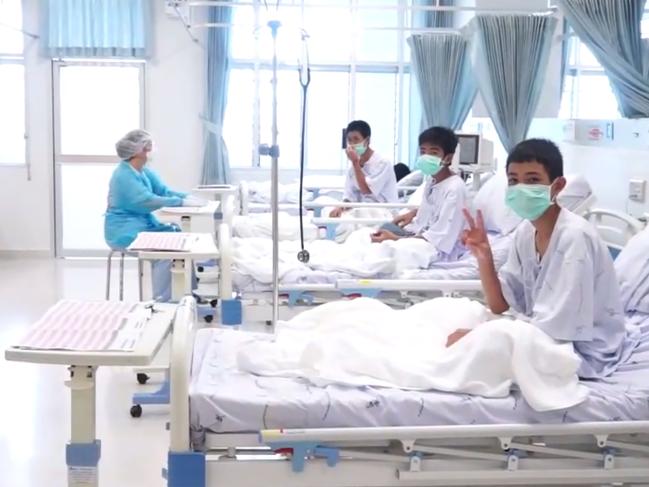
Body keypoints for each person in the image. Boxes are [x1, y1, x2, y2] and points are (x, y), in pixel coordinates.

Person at [448, 138, 635, 379]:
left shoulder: (574, 238)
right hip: (542, 334)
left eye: (533, 180)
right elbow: (500, 304)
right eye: (513, 180)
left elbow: (556, 332)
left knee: (470, 350)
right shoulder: (526, 232)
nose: (521, 188)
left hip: (580, 350)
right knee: (452, 315)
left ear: (557, 186)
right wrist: (484, 257)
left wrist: (481, 336)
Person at [104, 129, 203, 302]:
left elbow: (163, 191)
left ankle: (189, 293)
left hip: (143, 226)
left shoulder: (142, 171)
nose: (151, 149)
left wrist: (185, 197)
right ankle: (164, 302)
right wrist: (179, 203)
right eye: (148, 146)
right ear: (138, 151)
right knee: (164, 252)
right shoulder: (123, 176)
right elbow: (146, 200)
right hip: (124, 232)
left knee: (179, 236)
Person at [370, 127, 467, 261]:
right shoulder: (431, 180)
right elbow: (430, 212)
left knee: (386, 249)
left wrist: (396, 239)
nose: (426, 157)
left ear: (448, 158)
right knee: (367, 235)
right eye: (423, 151)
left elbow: (440, 238)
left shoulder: (455, 189)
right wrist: (413, 213)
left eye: (433, 152)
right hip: (419, 236)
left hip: (434, 249)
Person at [330, 120, 398, 217]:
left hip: (383, 212)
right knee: (331, 211)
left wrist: (355, 162)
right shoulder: (352, 168)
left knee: (353, 218)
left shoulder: (383, 163)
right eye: (349, 140)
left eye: (356, 139)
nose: (352, 144)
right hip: (362, 210)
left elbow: (366, 190)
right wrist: (341, 207)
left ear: (367, 141)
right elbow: (350, 195)